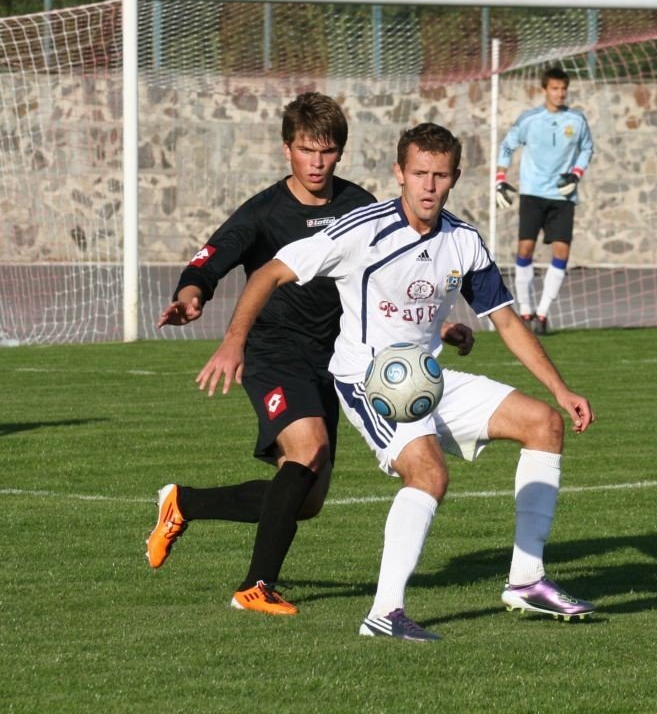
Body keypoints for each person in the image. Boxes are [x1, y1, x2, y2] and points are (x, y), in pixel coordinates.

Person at [197, 122, 596, 641]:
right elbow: (268, 273)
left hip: (425, 377)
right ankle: (385, 613)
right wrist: (233, 342)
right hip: (370, 381)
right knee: (428, 473)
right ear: (399, 175)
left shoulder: (463, 242)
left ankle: (526, 580)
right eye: (419, 174)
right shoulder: (361, 230)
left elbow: (505, 320)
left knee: (543, 423)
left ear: (454, 178)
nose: (429, 186)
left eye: (440, 176)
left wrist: (561, 390)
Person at [145, 92, 473, 616]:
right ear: (287, 150)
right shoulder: (265, 211)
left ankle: (184, 503)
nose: (316, 163)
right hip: (275, 352)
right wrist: (193, 299)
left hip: (337, 360)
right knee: (308, 450)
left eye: (327, 151)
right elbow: (209, 260)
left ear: (339, 152)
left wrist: (443, 321)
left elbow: (393, 277)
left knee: (307, 499)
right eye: (306, 150)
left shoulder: (360, 206)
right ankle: (256, 587)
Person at [495, 65, 594, 335]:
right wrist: (500, 178)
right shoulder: (530, 119)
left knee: (561, 252)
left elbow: (587, 149)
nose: (560, 93)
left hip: (562, 196)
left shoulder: (576, 120)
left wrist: (575, 175)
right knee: (525, 250)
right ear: (544, 90)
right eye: (554, 88)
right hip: (532, 194)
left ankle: (543, 314)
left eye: (563, 89)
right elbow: (507, 144)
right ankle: (525, 311)